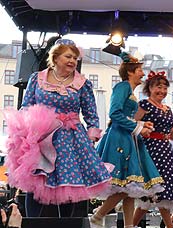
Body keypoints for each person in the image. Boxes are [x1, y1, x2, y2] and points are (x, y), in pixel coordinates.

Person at [4, 38, 111, 217]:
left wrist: (92, 134)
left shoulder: (82, 83)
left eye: (75, 58)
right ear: (55, 58)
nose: (72, 61)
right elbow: (27, 106)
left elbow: (91, 113)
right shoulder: (37, 79)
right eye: (68, 56)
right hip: (41, 137)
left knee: (68, 185)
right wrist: (21, 132)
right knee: (37, 182)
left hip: (71, 139)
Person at [91, 52, 165, 228]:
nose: (142, 73)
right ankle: (97, 218)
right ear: (131, 72)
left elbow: (123, 115)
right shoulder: (123, 86)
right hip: (119, 139)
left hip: (127, 138)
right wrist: (138, 127)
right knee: (125, 187)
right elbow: (114, 113)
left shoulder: (130, 91)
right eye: (139, 70)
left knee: (131, 186)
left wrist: (142, 125)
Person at [131, 71, 173, 228]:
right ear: (149, 88)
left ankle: (132, 227)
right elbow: (132, 124)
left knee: (160, 189)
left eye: (164, 87)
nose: (162, 90)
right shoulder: (144, 105)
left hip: (166, 150)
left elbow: (171, 134)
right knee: (156, 188)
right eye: (158, 87)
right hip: (151, 150)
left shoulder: (167, 109)